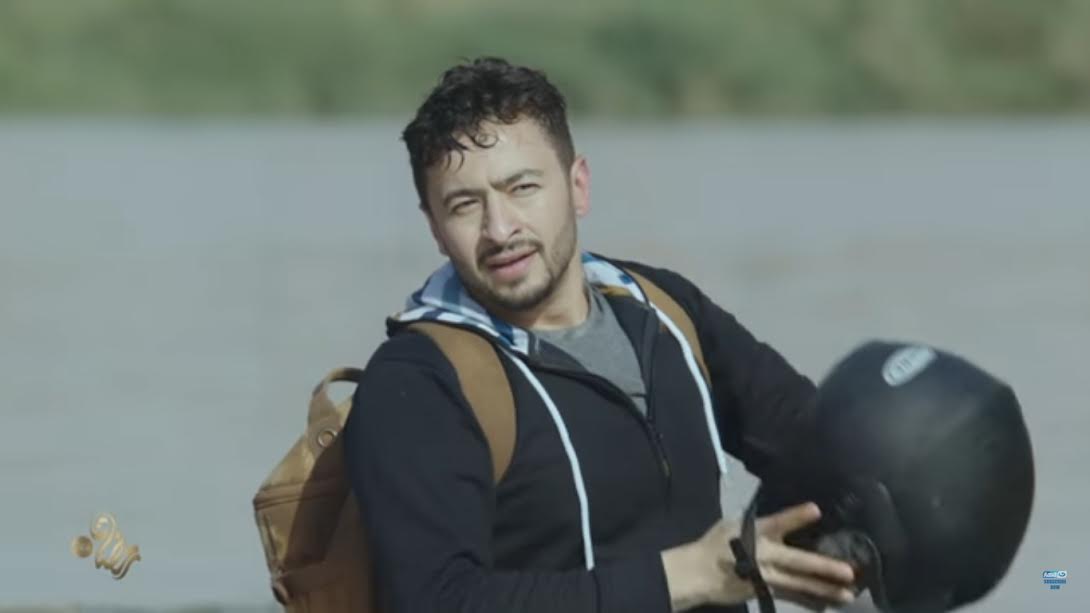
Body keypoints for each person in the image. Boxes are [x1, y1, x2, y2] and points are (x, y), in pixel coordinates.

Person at [342, 57, 857, 613]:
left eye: (522, 187)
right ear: (436, 229)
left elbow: (824, 445)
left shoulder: (665, 309)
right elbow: (438, 601)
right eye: (465, 205)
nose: (500, 229)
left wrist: (832, 542)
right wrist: (688, 576)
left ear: (577, 186)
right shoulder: (419, 383)